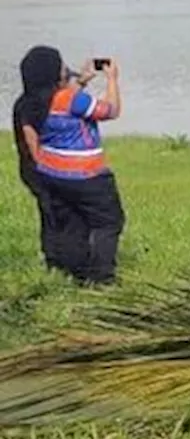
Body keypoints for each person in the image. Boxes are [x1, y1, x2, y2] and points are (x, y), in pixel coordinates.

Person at [14, 48, 125, 285]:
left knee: (71, 222)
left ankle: (70, 269)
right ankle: (102, 277)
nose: (66, 68)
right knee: (108, 222)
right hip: (88, 174)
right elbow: (110, 110)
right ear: (55, 74)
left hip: (52, 174)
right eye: (62, 66)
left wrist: (80, 83)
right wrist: (112, 79)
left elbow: (61, 106)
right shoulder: (71, 99)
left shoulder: (30, 104)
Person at [11, 46, 87, 273]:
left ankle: (54, 258)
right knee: (64, 215)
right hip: (47, 170)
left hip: (31, 171)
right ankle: (66, 262)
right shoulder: (44, 105)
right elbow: (67, 106)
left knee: (50, 212)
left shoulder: (24, 102)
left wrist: (78, 82)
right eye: (61, 68)